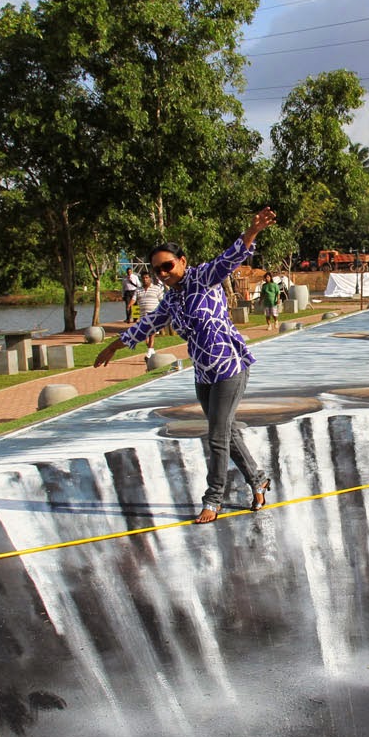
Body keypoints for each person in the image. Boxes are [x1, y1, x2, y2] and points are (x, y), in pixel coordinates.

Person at [95, 208, 277, 524]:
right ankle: (258, 479)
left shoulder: (202, 278)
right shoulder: (171, 300)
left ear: (182, 261)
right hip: (203, 373)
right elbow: (147, 323)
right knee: (227, 433)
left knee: (217, 436)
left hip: (229, 367)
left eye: (168, 265)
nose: (163, 273)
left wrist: (251, 233)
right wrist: (114, 345)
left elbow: (228, 260)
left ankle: (213, 499)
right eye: (157, 269)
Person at [133, 269, 166, 353]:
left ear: (150, 278)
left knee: (152, 332)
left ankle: (150, 351)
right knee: (146, 335)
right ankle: (151, 350)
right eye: (143, 278)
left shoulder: (156, 289)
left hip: (154, 314)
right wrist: (130, 306)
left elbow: (162, 300)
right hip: (143, 315)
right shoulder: (138, 290)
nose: (145, 279)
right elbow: (134, 300)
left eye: (147, 277)